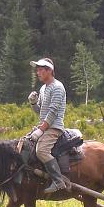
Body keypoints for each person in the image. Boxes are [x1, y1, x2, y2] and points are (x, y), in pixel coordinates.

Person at [24, 57, 71, 193]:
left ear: (49, 71)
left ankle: (58, 181)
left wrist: (41, 130)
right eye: (37, 70)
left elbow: (53, 112)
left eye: (40, 70)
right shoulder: (44, 88)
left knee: (41, 151)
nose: (37, 72)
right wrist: (33, 103)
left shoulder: (57, 87)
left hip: (54, 128)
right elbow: (41, 112)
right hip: (45, 126)